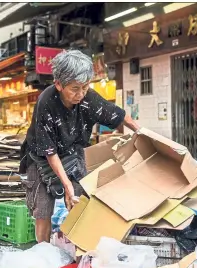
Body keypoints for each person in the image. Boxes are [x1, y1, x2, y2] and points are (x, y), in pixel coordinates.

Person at [19, 50, 140, 243]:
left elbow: (117, 114)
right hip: (41, 156)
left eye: (85, 87)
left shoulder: (88, 98)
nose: (81, 93)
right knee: (43, 210)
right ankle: (44, 252)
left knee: (81, 202)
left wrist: (141, 132)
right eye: (75, 88)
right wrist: (66, 186)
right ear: (58, 84)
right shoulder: (45, 102)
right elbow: (50, 152)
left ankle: (79, 247)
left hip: (72, 153)